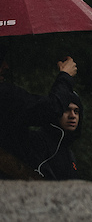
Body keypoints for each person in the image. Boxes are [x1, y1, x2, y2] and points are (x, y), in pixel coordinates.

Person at [0, 48, 78, 179]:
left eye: (76, 111)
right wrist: (65, 76)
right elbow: (51, 109)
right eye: (1, 60)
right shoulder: (4, 95)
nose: (6, 66)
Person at [12, 92, 82, 180]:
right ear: (56, 111)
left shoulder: (68, 152)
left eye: (76, 111)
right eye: (66, 110)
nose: (72, 116)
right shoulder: (37, 141)